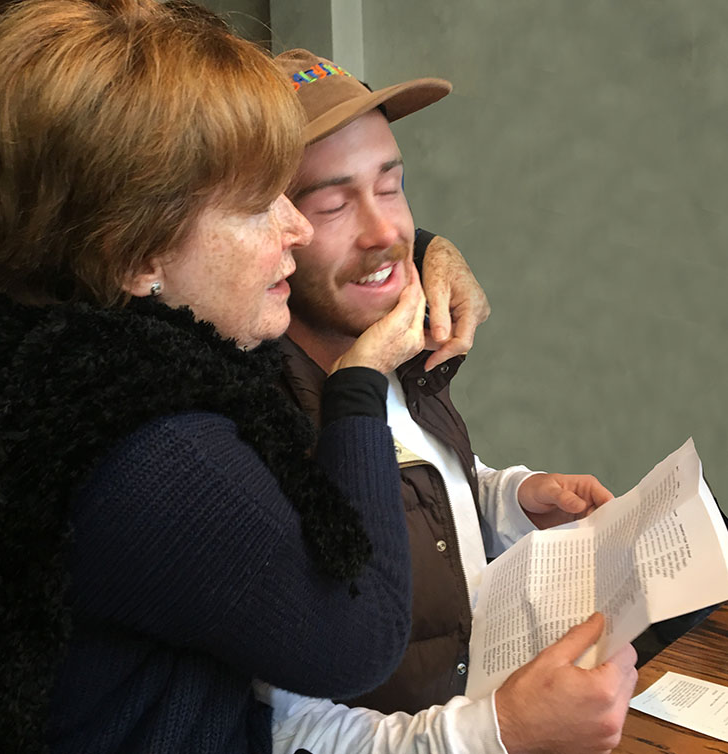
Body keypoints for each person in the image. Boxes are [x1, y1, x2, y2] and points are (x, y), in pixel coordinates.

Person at [0, 3, 430, 752]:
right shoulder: (155, 453)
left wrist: (434, 251)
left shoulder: (58, 361)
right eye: (259, 204)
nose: (299, 228)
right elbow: (360, 636)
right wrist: (359, 383)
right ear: (136, 256)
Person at [254, 49, 638, 754]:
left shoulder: (394, 334)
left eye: (393, 186)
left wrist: (511, 498)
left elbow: (423, 490)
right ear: (267, 226)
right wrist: (497, 733)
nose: (386, 234)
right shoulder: (246, 430)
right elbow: (283, 730)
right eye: (334, 204)